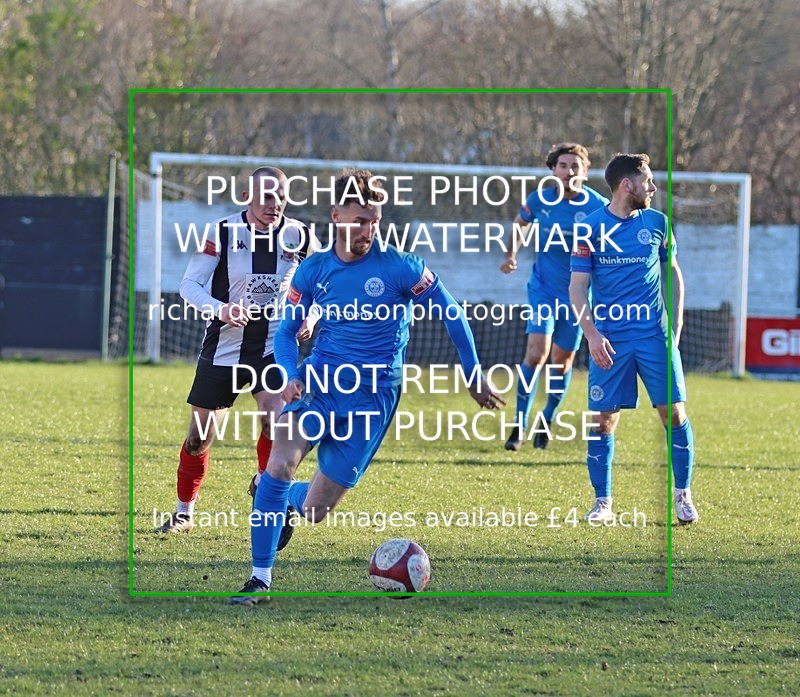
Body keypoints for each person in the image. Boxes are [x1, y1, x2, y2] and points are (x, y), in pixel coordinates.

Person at [229, 169, 505, 604]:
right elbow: (287, 332)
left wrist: (473, 373)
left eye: (375, 220)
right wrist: (291, 373)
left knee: (316, 510)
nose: (368, 230)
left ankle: (276, 499)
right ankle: (259, 579)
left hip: (374, 397)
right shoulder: (314, 270)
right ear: (336, 216)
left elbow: (451, 312)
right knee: (281, 463)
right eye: (360, 220)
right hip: (321, 380)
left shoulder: (401, 266)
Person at [156, 166, 315, 534]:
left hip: (275, 345)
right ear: (248, 196)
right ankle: (184, 512)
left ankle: (265, 488)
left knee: (277, 420)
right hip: (225, 347)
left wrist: (313, 314)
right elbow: (188, 285)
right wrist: (221, 308)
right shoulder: (222, 232)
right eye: (266, 197)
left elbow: (320, 285)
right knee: (199, 437)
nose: (274, 204)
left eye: (281, 197)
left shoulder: (301, 235)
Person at [568, 153, 698, 526]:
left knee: (673, 413)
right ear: (628, 184)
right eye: (648, 181)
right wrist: (591, 336)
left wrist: (675, 328)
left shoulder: (658, 223)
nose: (653, 188)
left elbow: (673, 274)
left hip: (654, 336)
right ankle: (603, 503)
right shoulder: (589, 229)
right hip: (609, 342)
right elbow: (577, 288)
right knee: (603, 420)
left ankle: (683, 494)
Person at [500, 143, 608, 451]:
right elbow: (520, 225)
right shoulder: (539, 199)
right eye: (563, 165)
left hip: (577, 297)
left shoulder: (598, 206)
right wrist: (510, 254)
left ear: (585, 172)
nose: (568, 171)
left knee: (562, 362)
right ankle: (519, 425)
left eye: (575, 166)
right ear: (553, 170)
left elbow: (610, 242)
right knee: (537, 353)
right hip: (543, 289)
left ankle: (546, 419)